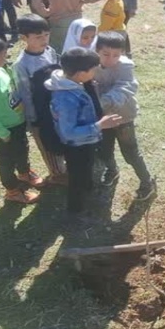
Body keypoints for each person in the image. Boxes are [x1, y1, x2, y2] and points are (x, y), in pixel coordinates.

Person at [45, 48, 121, 213]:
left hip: (86, 141)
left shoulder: (75, 83)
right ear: (80, 73)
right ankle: (75, 209)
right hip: (76, 145)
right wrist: (99, 126)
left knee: (87, 167)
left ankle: (88, 189)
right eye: (93, 70)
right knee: (77, 176)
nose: (95, 72)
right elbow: (68, 132)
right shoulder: (65, 98)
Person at [0, 35, 44, 204]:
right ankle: (12, 190)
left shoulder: (0, 70)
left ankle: (24, 173)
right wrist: (2, 134)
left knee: (22, 149)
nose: (6, 57)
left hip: (17, 123)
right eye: (2, 55)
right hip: (4, 130)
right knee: (7, 161)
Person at [94, 32, 156, 201]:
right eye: (105, 54)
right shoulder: (91, 64)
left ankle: (147, 182)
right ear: (97, 50)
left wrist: (101, 102)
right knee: (104, 149)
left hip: (123, 118)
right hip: (103, 119)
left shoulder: (125, 67)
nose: (110, 59)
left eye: (116, 55)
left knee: (130, 153)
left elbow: (125, 87)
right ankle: (112, 170)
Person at [12, 14, 67, 185]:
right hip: (39, 111)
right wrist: (32, 118)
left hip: (57, 106)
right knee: (46, 142)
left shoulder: (50, 52)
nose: (44, 39)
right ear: (24, 38)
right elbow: (25, 93)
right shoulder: (21, 64)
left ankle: (66, 165)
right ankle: (57, 174)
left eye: (46, 35)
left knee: (61, 136)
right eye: (38, 37)